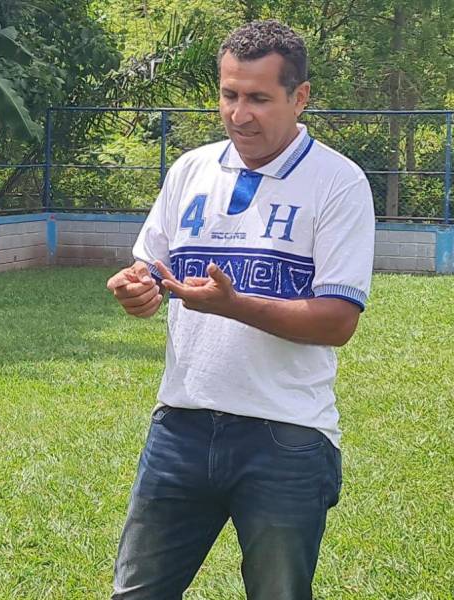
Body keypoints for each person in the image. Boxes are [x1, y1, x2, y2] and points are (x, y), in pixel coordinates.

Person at [106, 20, 375, 600]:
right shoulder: (190, 170)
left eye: (259, 98)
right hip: (181, 421)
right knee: (136, 592)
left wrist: (235, 306)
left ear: (299, 97)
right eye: (229, 95)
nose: (239, 114)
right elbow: (153, 268)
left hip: (287, 436)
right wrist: (138, 289)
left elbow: (337, 320)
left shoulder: (338, 183)